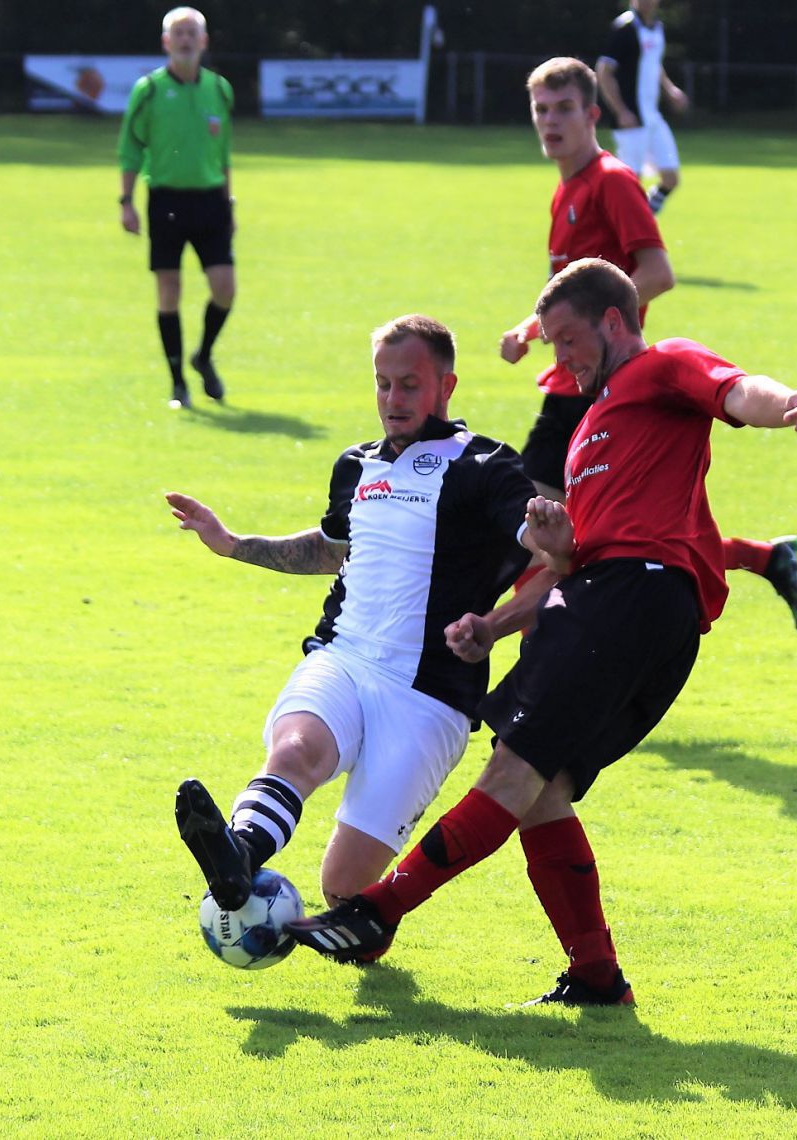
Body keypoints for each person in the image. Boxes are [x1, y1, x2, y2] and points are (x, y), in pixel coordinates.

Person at [286, 258, 797, 1004]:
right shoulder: (589, 431)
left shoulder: (661, 365)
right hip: (633, 612)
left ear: (612, 320)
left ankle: (375, 911)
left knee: (512, 772)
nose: (561, 359)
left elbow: (736, 391)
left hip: (631, 598)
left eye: (568, 340)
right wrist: (494, 623)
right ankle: (596, 975)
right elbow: (571, 566)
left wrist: (787, 404)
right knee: (542, 792)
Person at [168, 315, 543, 920]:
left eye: (410, 385)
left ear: (446, 386)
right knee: (296, 751)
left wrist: (507, 604)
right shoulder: (356, 465)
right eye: (383, 384)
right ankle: (238, 858)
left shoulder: (484, 465)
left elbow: (552, 554)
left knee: (344, 890)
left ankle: (335, 917)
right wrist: (233, 544)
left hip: (430, 695)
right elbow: (330, 550)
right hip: (342, 657)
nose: (393, 399)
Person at [499, 56, 797, 631]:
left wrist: (597, 327)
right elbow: (573, 293)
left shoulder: (612, 182)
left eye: (564, 108)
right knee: (580, 528)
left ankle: (542, 644)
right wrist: (533, 327)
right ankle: (763, 557)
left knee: (540, 530)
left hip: (600, 383)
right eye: (541, 109)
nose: (551, 121)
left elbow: (658, 273)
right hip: (575, 379)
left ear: (593, 114)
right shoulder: (565, 191)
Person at [117, 7, 235, 409]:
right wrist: (126, 201)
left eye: (192, 33)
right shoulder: (149, 90)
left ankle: (203, 355)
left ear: (204, 41)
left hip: (211, 199)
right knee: (169, 289)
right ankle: (177, 382)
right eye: (178, 33)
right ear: (166, 42)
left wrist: (229, 202)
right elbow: (130, 148)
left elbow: (223, 153)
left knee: (225, 288)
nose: (185, 40)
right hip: (166, 199)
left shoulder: (219, 89)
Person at [596, 0, 688, 215]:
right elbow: (604, 71)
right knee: (629, 182)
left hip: (653, 117)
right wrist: (621, 111)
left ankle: (642, 217)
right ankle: (619, 223)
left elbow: (653, 63)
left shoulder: (657, 27)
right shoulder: (624, 28)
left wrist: (670, 90)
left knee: (671, 179)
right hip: (631, 119)